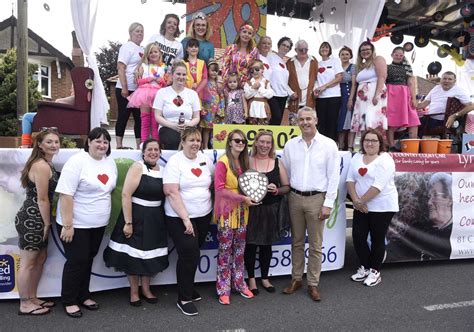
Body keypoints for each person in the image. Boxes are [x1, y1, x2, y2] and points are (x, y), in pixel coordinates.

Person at [55, 127, 117, 318]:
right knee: (77, 261)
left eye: (105, 142)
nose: (102, 145)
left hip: (97, 223)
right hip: (75, 223)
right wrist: (67, 224)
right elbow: (66, 194)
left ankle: (83, 295)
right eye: (97, 141)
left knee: (88, 259)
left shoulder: (109, 162)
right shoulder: (77, 162)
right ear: (88, 142)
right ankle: (69, 300)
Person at [281, 107, 340, 301]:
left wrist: (328, 203)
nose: (305, 122)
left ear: (316, 120)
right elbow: (287, 172)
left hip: (317, 199)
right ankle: (296, 279)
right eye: (301, 119)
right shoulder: (290, 145)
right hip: (295, 198)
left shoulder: (329, 145)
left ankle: (313, 283)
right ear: (297, 122)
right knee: (296, 241)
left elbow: (334, 176)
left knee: (315, 244)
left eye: (308, 119)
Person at [103, 139, 168, 306]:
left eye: (156, 149)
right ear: (143, 152)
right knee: (132, 256)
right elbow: (126, 194)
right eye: (150, 149)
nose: (153, 152)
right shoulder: (138, 167)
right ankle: (133, 291)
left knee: (149, 256)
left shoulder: (164, 170)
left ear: (160, 152)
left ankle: (146, 289)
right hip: (136, 216)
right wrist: (128, 222)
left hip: (155, 219)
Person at [163, 128, 215, 316]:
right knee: (189, 254)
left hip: (203, 215)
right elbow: (171, 191)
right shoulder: (175, 162)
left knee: (193, 252)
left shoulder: (204, 159)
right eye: (191, 140)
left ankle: (189, 286)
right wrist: (186, 219)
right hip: (179, 218)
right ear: (183, 142)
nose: (195, 144)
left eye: (198, 140)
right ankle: (184, 298)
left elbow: (213, 182)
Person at [15, 128, 60, 315]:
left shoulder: (47, 164)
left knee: (40, 259)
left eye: (56, 142)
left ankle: (32, 297)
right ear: (40, 144)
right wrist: (47, 223)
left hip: (39, 217)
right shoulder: (41, 166)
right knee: (29, 262)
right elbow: (42, 199)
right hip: (33, 219)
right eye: (49, 142)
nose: (54, 145)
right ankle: (25, 303)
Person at [346, 129, 399, 287]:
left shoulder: (386, 159)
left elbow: (378, 186)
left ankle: (375, 271)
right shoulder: (356, 157)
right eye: (366, 140)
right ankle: (365, 267)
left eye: (374, 141)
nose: (369, 143)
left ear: (380, 143)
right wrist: (356, 201)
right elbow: (350, 180)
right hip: (360, 205)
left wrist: (360, 202)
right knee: (358, 236)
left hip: (382, 206)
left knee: (377, 238)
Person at [214, 129, 257, 305]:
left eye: (243, 141)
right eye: (237, 140)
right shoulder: (222, 162)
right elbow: (220, 190)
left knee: (239, 251)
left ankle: (239, 284)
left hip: (243, 213)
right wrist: (242, 198)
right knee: (225, 251)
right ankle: (223, 289)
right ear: (229, 142)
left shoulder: (245, 162)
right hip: (227, 212)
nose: (240, 143)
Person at [244, 131, 290, 295]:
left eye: (268, 143)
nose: (264, 145)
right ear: (255, 142)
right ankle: (251, 279)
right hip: (251, 210)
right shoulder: (247, 161)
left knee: (266, 246)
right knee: (250, 245)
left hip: (271, 210)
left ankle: (264, 278)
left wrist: (277, 190)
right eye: (261, 142)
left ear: (272, 145)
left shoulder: (277, 162)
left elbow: (287, 187)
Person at [154, 60, 201, 150]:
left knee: (191, 141)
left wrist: (187, 125)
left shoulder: (192, 94)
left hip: (188, 128)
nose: (181, 77)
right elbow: (158, 116)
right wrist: (173, 126)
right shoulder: (162, 92)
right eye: (178, 74)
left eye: (184, 74)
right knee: (173, 140)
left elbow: (196, 117)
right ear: (172, 75)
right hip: (168, 127)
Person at [127, 43, 169, 143]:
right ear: (147, 54)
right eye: (151, 52)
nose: (153, 54)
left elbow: (166, 83)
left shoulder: (164, 67)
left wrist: (161, 81)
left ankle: (155, 143)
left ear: (159, 53)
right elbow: (138, 81)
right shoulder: (143, 66)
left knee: (155, 122)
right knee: (145, 121)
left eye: (155, 52)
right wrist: (148, 79)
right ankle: (144, 143)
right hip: (144, 94)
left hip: (158, 95)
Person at [115, 22, 144, 150]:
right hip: (125, 89)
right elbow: (121, 67)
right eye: (137, 31)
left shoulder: (142, 49)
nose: (140, 33)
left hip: (138, 90)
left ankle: (139, 145)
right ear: (131, 33)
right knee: (123, 116)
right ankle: (119, 145)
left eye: (142, 31)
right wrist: (125, 87)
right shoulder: (127, 47)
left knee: (139, 118)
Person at [386, 47, 420, 151]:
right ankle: (391, 146)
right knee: (390, 121)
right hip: (391, 94)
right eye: (396, 54)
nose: (398, 57)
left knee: (413, 119)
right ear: (392, 54)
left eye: (401, 55)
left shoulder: (407, 68)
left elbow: (411, 83)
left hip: (405, 95)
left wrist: (414, 98)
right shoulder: (387, 67)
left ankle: (412, 146)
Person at [351, 41, 388, 134]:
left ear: (372, 50)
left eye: (367, 49)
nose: (365, 51)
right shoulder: (362, 65)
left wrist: (377, 95)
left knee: (373, 120)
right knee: (364, 122)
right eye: (362, 50)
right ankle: (365, 145)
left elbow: (382, 77)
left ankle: (377, 145)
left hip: (373, 93)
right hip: (362, 98)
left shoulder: (378, 59)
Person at [314, 42, 343, 142]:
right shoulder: (317, 63)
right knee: (321, 122)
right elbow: (315, 80)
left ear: (329, 50)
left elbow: (339, 78)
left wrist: (325, 87)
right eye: (322, 47)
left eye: (326, 47)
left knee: (332, 122)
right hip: (321, 98)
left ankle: (332, 145)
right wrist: (317, 89)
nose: (324, 49)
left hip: (333, 96)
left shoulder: (335, 61)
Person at [286, 40, 318, 126]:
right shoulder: (289, 62)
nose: (304, 52)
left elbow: (317, 78)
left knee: (308, 125)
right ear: (295, 50)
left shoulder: (313, 61)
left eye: (306, 49)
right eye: (301, 50)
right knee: (294, 125)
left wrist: (315, 90)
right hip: (294, 99)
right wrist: (290, 93)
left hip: (309, 98)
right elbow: (284, 81)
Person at [222, 23, 259, 87]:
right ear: (240, 33)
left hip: (248, 87)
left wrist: (253, 85)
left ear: (252, 36)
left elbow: (257, 69)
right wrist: (226, 85)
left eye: (249, 33)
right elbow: (224, 67)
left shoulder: (254, 51)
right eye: (244, 32)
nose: (246, 35)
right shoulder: (230, 48)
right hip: (231, 86)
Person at [267, 36, 293, 125]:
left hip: (283, 95)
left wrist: (291, 93)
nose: (285, 47)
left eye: (287, 47)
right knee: (275, 117)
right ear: (278, 45)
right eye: (283, 45)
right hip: (272, 94)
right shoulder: (270, 57)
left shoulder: (284, 63)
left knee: (278, 121)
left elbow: (284, 82)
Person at [201, 60, 225, 148]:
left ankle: (213, 145)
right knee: (206, 128)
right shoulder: (205, 82)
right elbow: (202, 96)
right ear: (208, 71)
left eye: (216, 70)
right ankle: (205, 146)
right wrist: (202, 108)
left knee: (214, 128)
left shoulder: (218, 84)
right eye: (212, 70)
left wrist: (221, 108)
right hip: (207, 109)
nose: (214, 72)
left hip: (216, 110)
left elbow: (221, 96)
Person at [337, 46, 356, 151]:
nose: (345, 56)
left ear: (350, 56)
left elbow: (354, 84)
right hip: (337, 96)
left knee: (349, 122)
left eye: (347, 54)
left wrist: (350, 99)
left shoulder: (353, 67)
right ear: (339, 56)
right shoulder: (336, 66)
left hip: (348, 96)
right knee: (339, 122)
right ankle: (340, 146)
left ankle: (350, 146)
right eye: (342, 54)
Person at [244, 59, 274, 125]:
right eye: (252, 70)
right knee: (252, 125)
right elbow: (246, 95)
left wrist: (260, 88)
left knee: (263, 126)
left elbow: (270, 94)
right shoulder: (248, 83)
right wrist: (253, 88)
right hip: (252, 108)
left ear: (262, 70)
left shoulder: (266, 82)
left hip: (263, 108)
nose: (254, 71)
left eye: (257, 69)